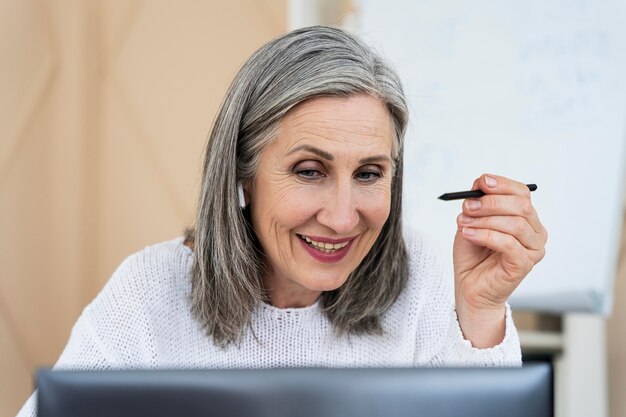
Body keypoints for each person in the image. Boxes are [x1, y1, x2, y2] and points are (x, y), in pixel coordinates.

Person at [16, 25, 547, 416]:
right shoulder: (148, 293)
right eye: (309, 171)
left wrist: (479, 313)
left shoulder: (427, 279)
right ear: (243, 175)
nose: (342, 218)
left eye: (368, 174)